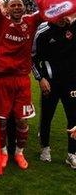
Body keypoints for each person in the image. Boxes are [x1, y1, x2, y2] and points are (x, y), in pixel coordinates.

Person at [0, 0, 43, 170]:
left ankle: (19, 153)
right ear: (8, 9)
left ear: (24, 7)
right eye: (13, 5)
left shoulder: (31, 22)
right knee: (1, 121)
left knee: (21, 120)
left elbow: (46, 9)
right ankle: (3, 153)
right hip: (3, 78)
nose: (17, 8)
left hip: (22, 79)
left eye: (20, 5)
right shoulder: (0, 22)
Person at [31, 18, 76, 168]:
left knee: (73, 118)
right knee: (47, 117)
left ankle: (72, 154)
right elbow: (33, 59)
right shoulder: (43, 31)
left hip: (71, 82)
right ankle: (45, 148)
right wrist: (41, 78)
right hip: (50, 82)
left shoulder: (73, 28)